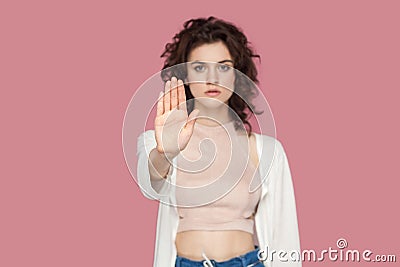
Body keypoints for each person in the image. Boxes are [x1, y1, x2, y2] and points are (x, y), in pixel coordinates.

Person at [137, 17, 302, 267]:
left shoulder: (266, 150)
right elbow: (150, 185)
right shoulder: (159, 142)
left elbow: (285, 236)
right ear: (186, 75)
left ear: (238, 75)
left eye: (224, 67)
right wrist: (166, 152)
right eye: (200, 67)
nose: (212, 78)